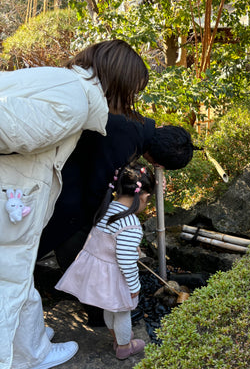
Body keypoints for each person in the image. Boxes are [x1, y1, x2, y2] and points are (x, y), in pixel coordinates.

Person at [0, 39, 149, 369]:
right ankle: (32, 355)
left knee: (13, 272)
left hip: (13, 189)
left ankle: (26, 341)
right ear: (120, 82)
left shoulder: (60, 79)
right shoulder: (74, 102)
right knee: (12, 272)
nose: (130, 101)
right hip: (11, 195)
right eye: (132, 91)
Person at [38, 116, 195, 270]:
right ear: (157, 163)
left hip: (57, 160)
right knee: (74, 227)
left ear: (161, 127)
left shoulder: (134, 122)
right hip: (59, 179)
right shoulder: (126, 145)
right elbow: (96, 191)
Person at [55, 163, 155, 360]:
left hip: (99, 272)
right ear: (144, 196)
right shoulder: (131, 224)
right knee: (123, 312)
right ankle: (125, 346)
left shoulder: (108, 208)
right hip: (115, 275)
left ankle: (116, 336)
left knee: (109, 308)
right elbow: (126, 261)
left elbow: (110, 241)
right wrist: (134, 285)